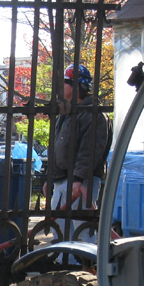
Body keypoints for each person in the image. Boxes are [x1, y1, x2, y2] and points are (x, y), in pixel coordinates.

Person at [47, 63, 112, 210]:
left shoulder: (93, 115)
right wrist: (50, 178)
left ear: (76, 87)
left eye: (64, 83)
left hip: (81, 183)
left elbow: (90, 150)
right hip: (62, 180)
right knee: (59, 229)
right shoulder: (66, 114)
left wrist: (78, 179)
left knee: (81, 230)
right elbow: (58, 147)